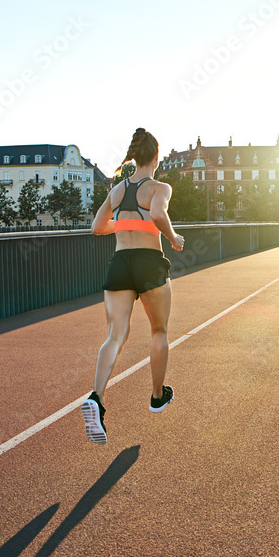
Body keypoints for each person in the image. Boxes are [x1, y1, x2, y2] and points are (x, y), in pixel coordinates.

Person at [81, 128, 185, 445]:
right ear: (155, 157)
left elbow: (97, 227)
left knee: (115, 335)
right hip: (150, 263)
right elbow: (156, 213)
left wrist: (124, 223)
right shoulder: (160, 187)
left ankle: (96, 399)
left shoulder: (117, 190)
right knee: (158, 331)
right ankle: (156, 397)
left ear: (133, 157)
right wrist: (173, 237)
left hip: (120, 262)